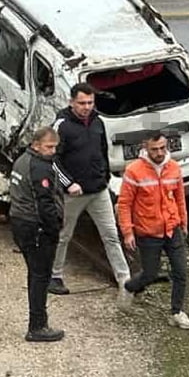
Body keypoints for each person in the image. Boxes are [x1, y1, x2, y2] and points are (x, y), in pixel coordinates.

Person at [48, 83, 132, 306]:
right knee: (64, 235)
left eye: (90, 103)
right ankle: (54, 275)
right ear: (71, 102)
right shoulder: (61, 126)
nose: (87, 107)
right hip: (73, 194)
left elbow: (102, 151)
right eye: (82, 103)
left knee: (111, 234)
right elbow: (52, 159)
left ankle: (125, 278)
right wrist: (68, 184)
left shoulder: (98, 122)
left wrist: (106, 177)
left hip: (98, 189)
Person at [118, 131, 189, 329]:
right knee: (150, 274)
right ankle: (129, 287)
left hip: (172, 228)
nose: (160, 153)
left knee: (181, 271)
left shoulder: (174, 168)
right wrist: (128, 232)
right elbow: (125, 204)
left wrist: (183, 222)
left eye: (163, 148)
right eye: (155, 149)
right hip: (148, 231)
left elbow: (179, 198)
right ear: (145, 147)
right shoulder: (134, 171)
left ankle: (177, 312)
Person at [8, 127, 66, 343]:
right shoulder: (40, 167)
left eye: (54, 147)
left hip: (20, 222)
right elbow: (45, 203)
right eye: (49, 147)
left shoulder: (22, 160)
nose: (52, 151)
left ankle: (38, 321)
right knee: (41, 276)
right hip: (36, 227)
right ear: (36, 144)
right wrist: (54, 229)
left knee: (34, 273)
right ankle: (38, 325)